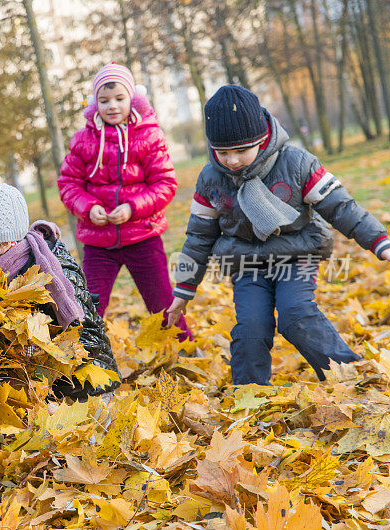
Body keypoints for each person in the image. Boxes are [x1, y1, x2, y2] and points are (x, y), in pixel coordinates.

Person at [166, 85, 390, 385]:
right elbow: (198, 236)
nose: (232, 161)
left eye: (241, 151)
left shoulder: (296, 164)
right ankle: (250, 390)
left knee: (295, 314)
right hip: (247, 264)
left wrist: (378, 241)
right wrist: (184, 288)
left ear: (262, 139)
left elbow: (342, 208)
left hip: (295, 256)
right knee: (251, 328)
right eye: (223, 153)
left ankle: (347, 374)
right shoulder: (211, 179)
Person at [0, 174, 121, 400]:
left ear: (3, 244)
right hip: (36, 392)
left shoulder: (54, 273)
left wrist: (35, 353)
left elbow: (89, 340)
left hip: (84, 390)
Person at [57, 62, 192, 341]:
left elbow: (165, 184)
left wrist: (133, 207)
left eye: (119, 98)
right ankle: (83, 356)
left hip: (143, 236)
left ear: (133, 98)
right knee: (89, 304)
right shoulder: (83, 140)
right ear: (95, 103)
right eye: (104, 100)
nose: (112, 106)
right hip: (98, 244)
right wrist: (88, 207)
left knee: (162, 303)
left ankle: (187, 352)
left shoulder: (149, 136)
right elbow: (69, 185)